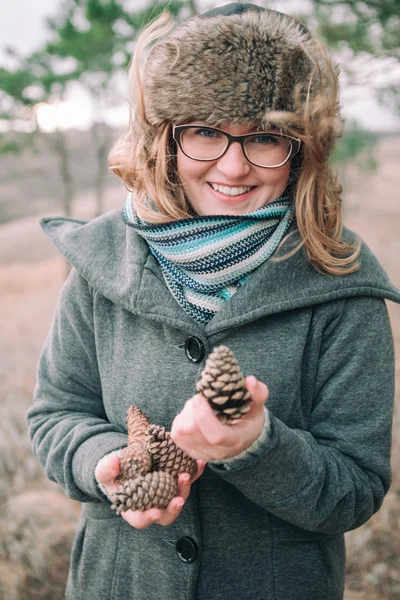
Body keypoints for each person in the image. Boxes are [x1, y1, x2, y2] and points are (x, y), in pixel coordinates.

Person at [27, 3, 400, 600]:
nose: (233, 165)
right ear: (166, 140)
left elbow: (354, 490)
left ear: (300, 149)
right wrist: (106, 463)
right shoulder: (101, 264)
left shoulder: (342, 286)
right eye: (205, 131)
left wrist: (258, 447)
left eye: (264, 137)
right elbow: (54, 417)